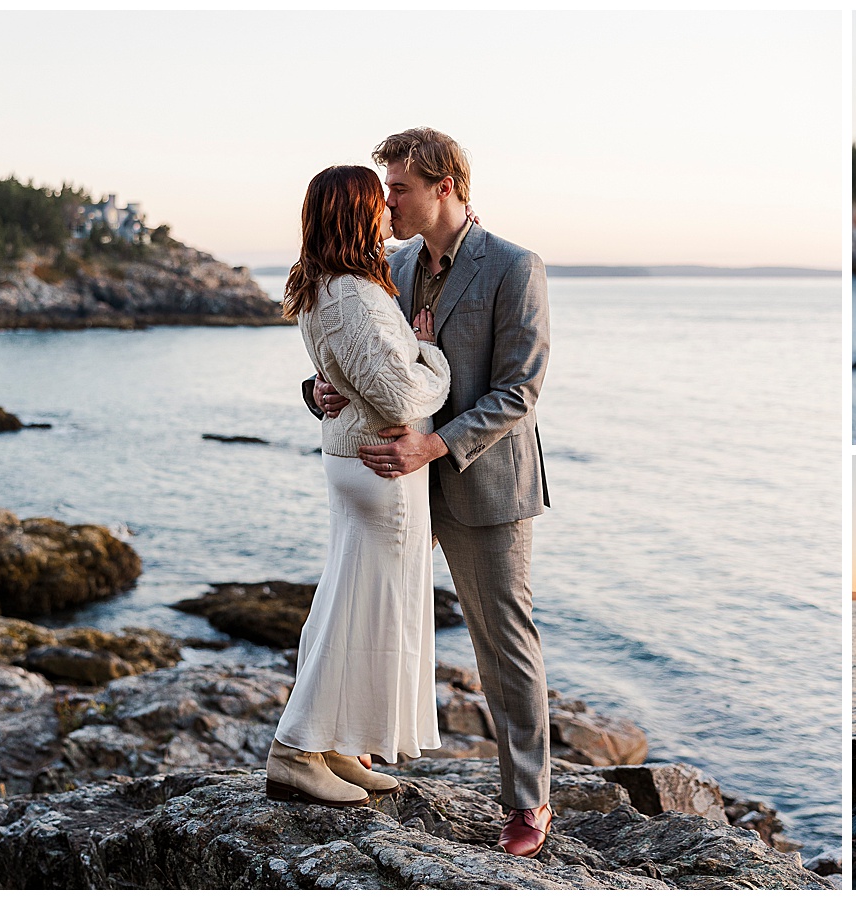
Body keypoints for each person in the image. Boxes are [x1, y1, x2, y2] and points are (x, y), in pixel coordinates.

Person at [303, 128, 555, 856]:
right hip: (394, 480)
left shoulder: (514, 267)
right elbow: (362, 350)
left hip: (484, 483)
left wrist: (437, 442)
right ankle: (350, 747)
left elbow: (520, 390)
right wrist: (322, 389)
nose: (386, 203)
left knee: (503, 645)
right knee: (369, 608)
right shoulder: (390, 264)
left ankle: (528, 803)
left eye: (399, 188)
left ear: (445, 186)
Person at [269, 165, 451, 808]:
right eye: (379, 202)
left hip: (358, 460)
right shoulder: (351, 291)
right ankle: (295, 750)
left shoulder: (327, 284)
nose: (386, 213)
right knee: (356, 610)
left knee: (355, 603)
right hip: (380, 465)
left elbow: (343, 372)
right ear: (356, 213)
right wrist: (432, 357)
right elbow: (401, 395)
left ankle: (338, 741)